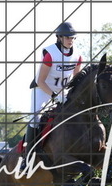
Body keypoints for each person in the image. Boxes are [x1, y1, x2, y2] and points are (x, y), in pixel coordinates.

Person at [21, 22, 83, 170]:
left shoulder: (77, 56)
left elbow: (77, 80)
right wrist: (54, 95)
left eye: (72, 38)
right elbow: (40, 81)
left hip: (63, 91)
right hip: (43, 90)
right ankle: (28, 158)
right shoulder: (50, 54)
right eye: (67, 37)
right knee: (35, 118)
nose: (70, 40)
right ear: (59, 38)